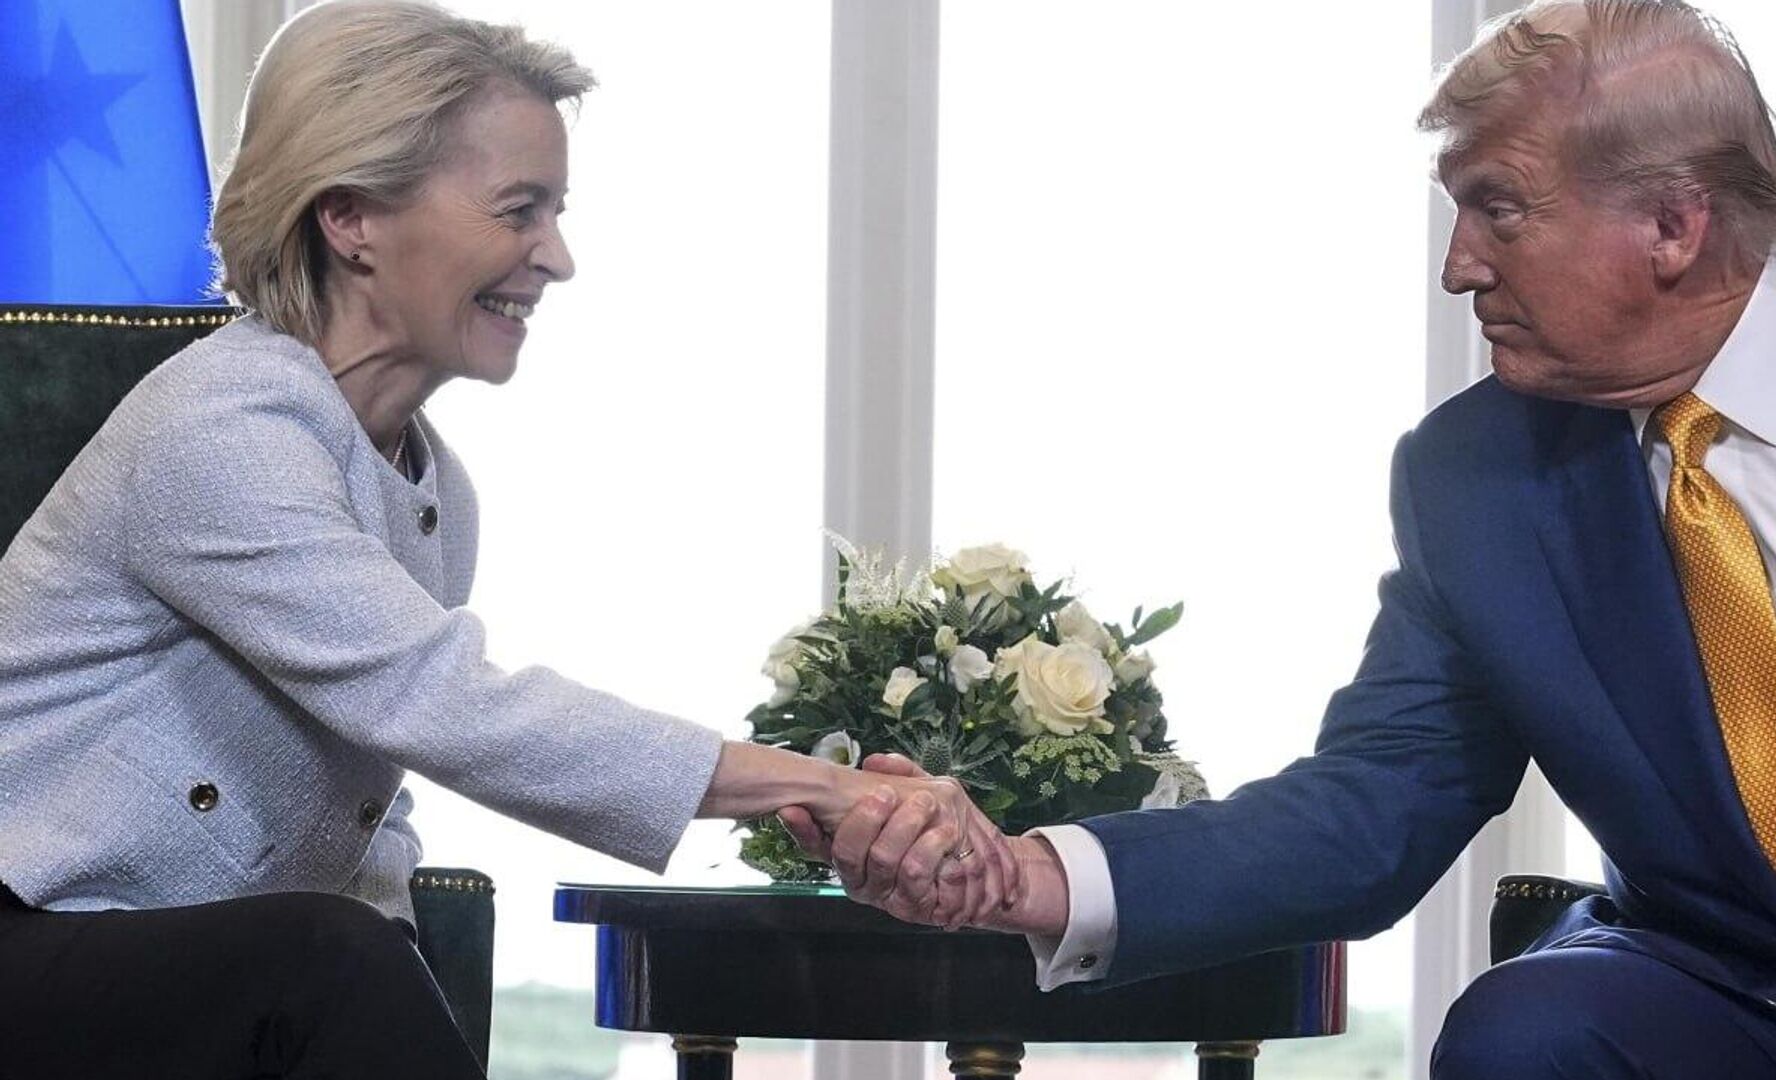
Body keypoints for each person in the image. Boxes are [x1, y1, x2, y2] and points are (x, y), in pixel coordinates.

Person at [791, 2, 1776, 1076]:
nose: (1459, 266)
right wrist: (1026, 873)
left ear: (1672, 225)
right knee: (1528, 1035)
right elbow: (1376, 803)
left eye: (1500, 209)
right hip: (1751, 1002)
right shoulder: (1475, 477)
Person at [0, 3, 1015, 1077]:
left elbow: (361, 808)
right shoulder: (223, 426)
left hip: (183, 972)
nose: (557, 258)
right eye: (519, 209)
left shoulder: (434, 488)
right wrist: (823, 787)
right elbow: (442, 701)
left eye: (556, 213)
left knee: (352, 953)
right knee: (333, 961)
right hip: (29, 934)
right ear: (350, 217)